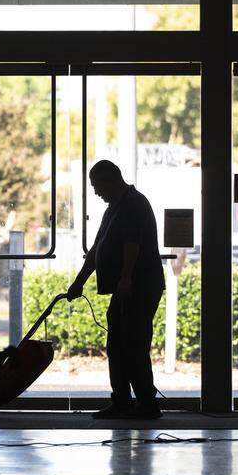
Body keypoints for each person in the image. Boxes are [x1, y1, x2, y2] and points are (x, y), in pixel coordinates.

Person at [67, 160, 166, 420]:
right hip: (127, 289)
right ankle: (123, 400)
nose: (96, 192)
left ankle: (146, 403)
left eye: (97, 186)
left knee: (133, 344)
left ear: (111, 180)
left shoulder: (133, 204)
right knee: (118, 345)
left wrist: (125, 278)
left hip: (139, 287)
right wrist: (79, 282)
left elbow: (132, 245)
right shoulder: (114, 208)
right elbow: (97, 250)